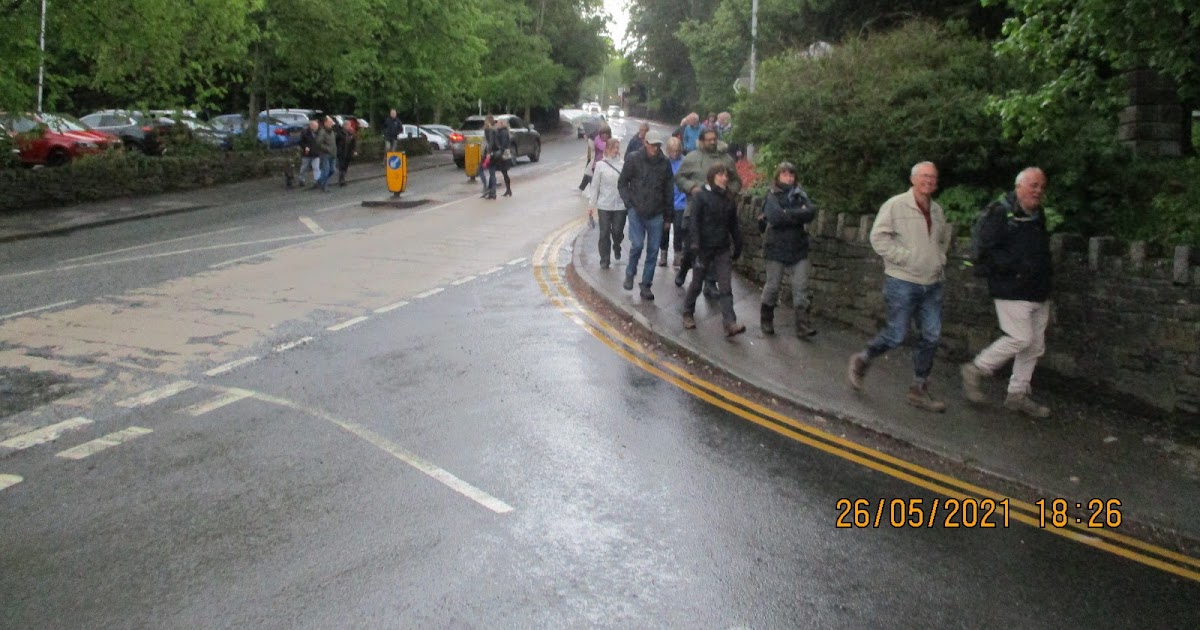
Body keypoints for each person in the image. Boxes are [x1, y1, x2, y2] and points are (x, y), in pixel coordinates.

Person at [847, 161, 952, 412]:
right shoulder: (895, 205)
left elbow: (942, 240)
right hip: (902, 281)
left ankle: (918, 388)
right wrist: (905, 258)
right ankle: (863, 360)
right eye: (924, 176)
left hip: (932, 283)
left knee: (931, 335)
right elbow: (878, 237)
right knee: (896, 334)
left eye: (933, 177)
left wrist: (938, 260)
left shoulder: (937, 211)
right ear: (913, 179)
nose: (929, 181)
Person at [960, 167, 1054, 418]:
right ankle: (976, 369)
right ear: (1019, 186)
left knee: (1034, 346)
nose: (1038, 191)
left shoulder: (1037, 214)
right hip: (1011, 288)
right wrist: (1016, 269)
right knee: (1020, 338)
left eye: (1041, 186)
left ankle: (1017, 395)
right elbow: (986, 251)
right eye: (1033, 185)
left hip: (1038, 289)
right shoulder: (999, 213)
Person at [674, 128, 741, 297]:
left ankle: (710, 283)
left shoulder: (726, 159)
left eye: (714, 139)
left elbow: (736, 181)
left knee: (715, 247)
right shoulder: (692, 158)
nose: (712, 142)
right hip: (695, 210)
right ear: (701, 141)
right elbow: (679, 177)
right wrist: (692, 187)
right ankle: (684, 268)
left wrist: (730, 192)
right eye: (709, 139)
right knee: (691, 248)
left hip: (718, 212)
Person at [681, 163, 745, 337]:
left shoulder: (729, 198)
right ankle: (687, 313)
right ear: (712, 177)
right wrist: (695, 244)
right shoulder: (701, 197)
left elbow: (733, 225)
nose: (724, 178)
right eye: (720, 175)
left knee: (725, 286)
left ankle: (730, 322)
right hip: (703, 248)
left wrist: (738, 244)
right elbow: (694, 222)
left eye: (726, 175)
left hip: (722, 248)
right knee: (697, 282)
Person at [760, 162, 818, 338]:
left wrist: (788, 213)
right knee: (773, 286)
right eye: (785, 175)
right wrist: (797, 214)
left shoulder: (801, 195)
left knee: (801, 288)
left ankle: (803, 326)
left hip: (798, 247)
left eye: (791, 175)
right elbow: (776, 217)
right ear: (778, 177)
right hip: (776, 247)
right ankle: (766, 320)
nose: (789, 178)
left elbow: (811, 212)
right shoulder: (772, 195)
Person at [617, 130, 674, 300]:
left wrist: (669, 217)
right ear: (645, 143)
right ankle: (630, 272)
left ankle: (646, 285)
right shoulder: (633, 159)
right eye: (652, 145)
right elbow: (622, 183)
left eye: (658, 145)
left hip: (657, 213)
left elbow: (668, 191)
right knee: (637, 245)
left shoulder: (665, 163)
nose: (655, 148)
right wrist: (629, 205)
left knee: (653, 250)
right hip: (637, 210)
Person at [587, 137, 626, 270]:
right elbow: (595, 186)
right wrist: (591, 205)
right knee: (604, 233)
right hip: (604, 204)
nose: (616, 150)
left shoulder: (623, 164)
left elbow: (628, 183)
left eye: (617, 148)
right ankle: (605, 259)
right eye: (614, 148)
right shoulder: (600, 165)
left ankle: (617, 244)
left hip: (620, 205)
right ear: (607, 150)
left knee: (617, 231)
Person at [662, 137, 688, 268]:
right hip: (666, 201)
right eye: (672, 151)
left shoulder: (685, 162)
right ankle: (663, 253)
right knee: (664, 229)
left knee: (678, 228)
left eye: (677, 151)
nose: (675, 153)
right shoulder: (664, 162)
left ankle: (678, 254)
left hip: (681, 201)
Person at [486, 117, 512, 199]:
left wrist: (499, 152)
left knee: (500, 171)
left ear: (501, 123)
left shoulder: (503, 132)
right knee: (502, 172)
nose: (496, 124)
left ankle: (494, 191)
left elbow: (503, 144)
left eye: (498, 122)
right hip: (501, 153)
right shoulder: (500, 131)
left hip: (503, 154)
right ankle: (507, 189)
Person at [315, 116, 338, 192]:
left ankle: (319, 181)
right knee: (326, 171)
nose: (332, 123)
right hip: (325, 154)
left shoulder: (332, 131)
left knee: (332, 170)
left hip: (333, 154)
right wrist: (326, 149)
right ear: (325, 123)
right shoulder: (322, 132)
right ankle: (324, 186)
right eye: (330, 122)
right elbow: (318, 143)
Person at [296, 119, 320, 187]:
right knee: (304, 168)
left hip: (316, 153)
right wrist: (305, 147)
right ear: (311, 126)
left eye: (317, 126)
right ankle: (301, 180)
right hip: (307, 154)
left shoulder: (318, 132)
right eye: (315, 126)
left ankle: (317, 180)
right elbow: (300, 142)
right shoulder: (305, 132)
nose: (316, 128)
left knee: (316, 168)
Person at [335, 118, 357, 187]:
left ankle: (343, 179)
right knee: (341, 166)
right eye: (348, 125)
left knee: (345, 166)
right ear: (344, 126)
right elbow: (336, 142)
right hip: (341, 152)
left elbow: (353, 143)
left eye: (350, 125)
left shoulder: (351, 133)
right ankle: (341, 180)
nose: (349, 127)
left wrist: (354, 151)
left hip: (348, 152)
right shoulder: (340, 133)